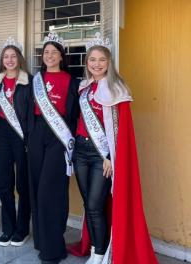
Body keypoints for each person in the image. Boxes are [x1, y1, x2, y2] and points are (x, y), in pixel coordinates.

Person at [67, 33, 159, 264]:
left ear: (109, 62)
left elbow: (121, 130)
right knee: (89, 203)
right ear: (87, 62)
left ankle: (99, 253)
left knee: (95, 204)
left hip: (102, 157)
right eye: (92, 60)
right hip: (81, 151)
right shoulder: (84, 87)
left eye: (101, 60)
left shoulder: (118, 89)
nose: (96, 64)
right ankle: (95, 247)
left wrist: (110, 156)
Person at [27, 32, 80, 263]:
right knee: (37, 189)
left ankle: (53, 249)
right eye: (46, 52)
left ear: (61, 56)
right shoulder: (35, 79)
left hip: (60, 136)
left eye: (54, 52)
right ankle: (42, 241)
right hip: (36, 133)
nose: (49, 56)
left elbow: (76, 115)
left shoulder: (73, 81)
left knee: (51, 191)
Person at [0, 37, 33, 247]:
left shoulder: (29, 81)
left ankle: (22, 228)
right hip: (2, 132)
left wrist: (30, 137)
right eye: (6, 57)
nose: (9, 60)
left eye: (13, 56)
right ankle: (8, 227)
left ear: (19, 59)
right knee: (4, 182)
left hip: (22, 134)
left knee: (23, 184)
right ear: (2, 60)